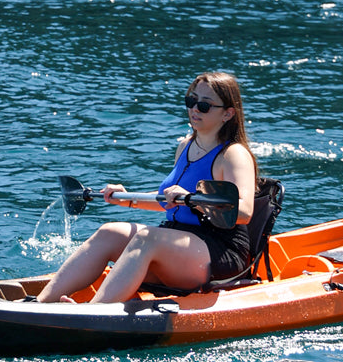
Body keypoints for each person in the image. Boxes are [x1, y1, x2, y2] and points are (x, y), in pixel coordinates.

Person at [36, 72, 257, 304]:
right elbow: (168, 201)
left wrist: (193, 198)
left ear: (228, 113)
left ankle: (92, 313)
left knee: (148, 237)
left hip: (219, 252)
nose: (194, 109)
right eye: (191, 102)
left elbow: (244, 212)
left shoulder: (233, 155)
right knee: (110, 231)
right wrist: (126, 199)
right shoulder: (185, 146)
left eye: (204, 105)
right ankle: (38, 304)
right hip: (178, 241)